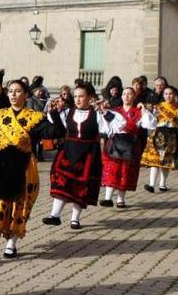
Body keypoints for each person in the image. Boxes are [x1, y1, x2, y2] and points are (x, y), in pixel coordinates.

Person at [0, 80, 55, 260]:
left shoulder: (35, 117)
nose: (13, 94)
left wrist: (55, 114)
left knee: (19, 205)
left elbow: (53, 133)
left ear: (25, 95)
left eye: (17, 91)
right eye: (10, 91)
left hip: (24, 165)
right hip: (1, 164)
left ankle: (11, 244)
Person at [41, 85, 126, 230]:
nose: (77, 99)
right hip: (68, 151)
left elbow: (119, 125)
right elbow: (57, 126)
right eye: (75, 96)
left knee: (81, 185)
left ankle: (75, 218)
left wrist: (104, 111)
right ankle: (55, 215)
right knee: (62, 180)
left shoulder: (97, 114)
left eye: (81, 96)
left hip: (88, 153)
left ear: (89, 98)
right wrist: (54, 110)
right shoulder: (68, 112)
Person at [99, 87, 156, 208]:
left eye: (129, 94)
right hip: (114, 143)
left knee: (125, 171)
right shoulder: (115, 110)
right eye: (124, 93)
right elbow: (105, 125)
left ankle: (120, 199)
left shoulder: (138, 112)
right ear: (121, 96)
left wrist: (144, 110)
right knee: (112, 170)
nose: (126, 96)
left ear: (134, 96)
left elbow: (150, 125)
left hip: (130, 144)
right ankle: (108, 198)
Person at [141, 86, 178, 192]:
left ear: (174, 95)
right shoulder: (158, 106)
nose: (168, 96)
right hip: (159, 135)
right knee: (155, 160)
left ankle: (162, 184)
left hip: (172, 135)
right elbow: (151, 121)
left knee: (166, 161)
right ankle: (151, 185)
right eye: (165, 93)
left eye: (170, 93)